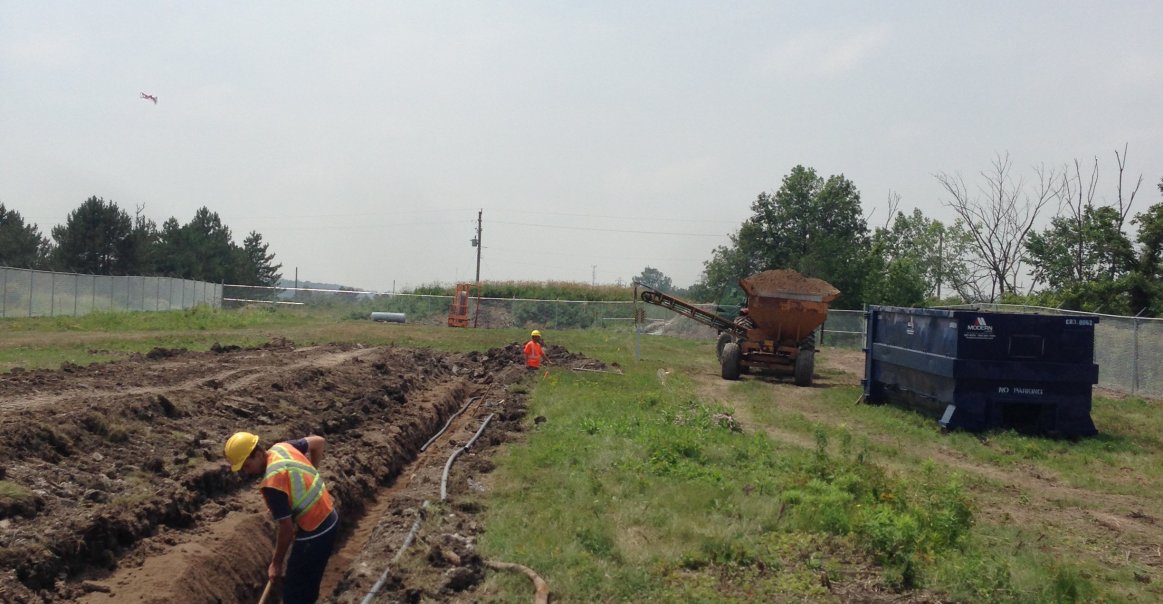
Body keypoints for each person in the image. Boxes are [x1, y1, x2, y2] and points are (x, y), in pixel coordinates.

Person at [224, 432, 339, 604]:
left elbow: (286, 531)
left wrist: (276, 564)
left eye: (247, 466)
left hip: (316, 531)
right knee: (309, 583)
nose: (246, 472)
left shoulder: (272, 484)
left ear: (258, 454)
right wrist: (312, 472)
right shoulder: (283, 447)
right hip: (329, 515)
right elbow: (319, 442)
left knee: (295, 593)